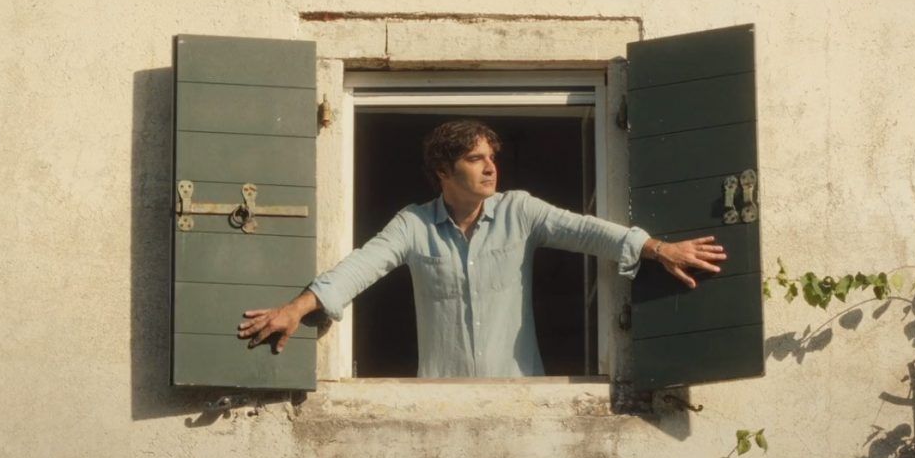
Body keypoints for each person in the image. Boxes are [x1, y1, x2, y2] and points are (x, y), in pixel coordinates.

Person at [238, 120, 727, 377]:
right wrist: (298, 308)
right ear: (443, 172)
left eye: (491, 157)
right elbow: (361, 266)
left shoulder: (520, 210)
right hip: (440, 398)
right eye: (475, 159)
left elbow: (587, 231)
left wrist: (657, 249)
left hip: (521, 394)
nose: (490, 167)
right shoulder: (413, 224)